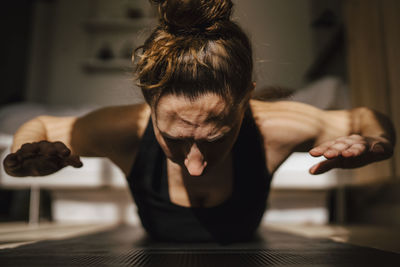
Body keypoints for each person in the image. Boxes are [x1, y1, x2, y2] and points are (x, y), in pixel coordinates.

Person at [3, 0, 395, 243]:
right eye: (175, 138)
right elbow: (39, 124)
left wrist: (377, 144)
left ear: (246, 101)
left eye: (215, 138)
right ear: (148, 100)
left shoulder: (277, 126)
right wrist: (27, 153)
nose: (194, 162)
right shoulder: (124, 130)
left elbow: (366, 118)